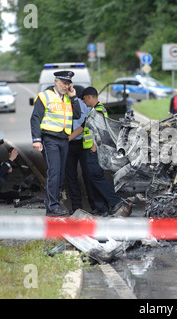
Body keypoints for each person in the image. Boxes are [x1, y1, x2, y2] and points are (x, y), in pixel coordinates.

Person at [30, 70, 81, 217]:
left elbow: (77, 115)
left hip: (63, 139)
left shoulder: (67, 98)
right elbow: (35, 119)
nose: (66, 86)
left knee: (60, 173)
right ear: (56, 82)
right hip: (50, 138)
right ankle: (52, 206)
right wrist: (37, 140)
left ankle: (53, 207)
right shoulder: (45, 96)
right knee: (54, 172)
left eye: (68, 84)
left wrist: (74, 97)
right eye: (64, 83)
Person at [80, 86, 132, 217]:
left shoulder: (98, 110)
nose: (84, 102)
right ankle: (101, 208)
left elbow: (100, 130)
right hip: (92, 150)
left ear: (89, 97)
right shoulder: (94, 111)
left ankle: (117, 201)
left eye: (84, 99)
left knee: (96, 176)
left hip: (94, 150)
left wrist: (94, 146)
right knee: (94, 178)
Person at [65, 98, 96, 214]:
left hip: (83, 144)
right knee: (70, 176)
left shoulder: (86, 105)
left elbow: (89, 125)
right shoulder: (62, 104)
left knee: (88, 175)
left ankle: (95, 206)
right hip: (68, 145)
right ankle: (76, 206)